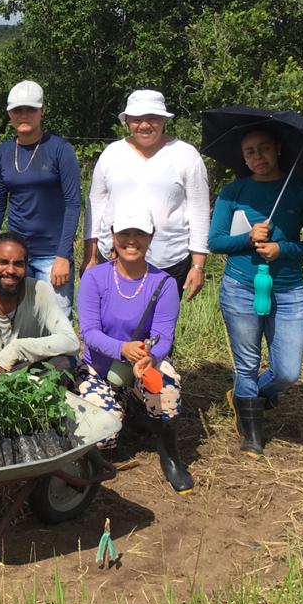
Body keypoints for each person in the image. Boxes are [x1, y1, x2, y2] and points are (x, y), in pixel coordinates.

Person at [209, 127, 303, 457]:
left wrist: (282, 248)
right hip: (240, 287)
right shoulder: (233, 192)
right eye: (249, 152)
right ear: (243, 158)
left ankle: (246, 397)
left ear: (277, 149)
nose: (257, 157)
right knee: (246, 363)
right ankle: (252, 435)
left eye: (263, 149)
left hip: (288, 292)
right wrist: (247, 239)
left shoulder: (302, 192)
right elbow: (215, 241)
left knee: (287, 371)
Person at [77, 205, 193, 494]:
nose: (132, 240)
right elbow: (89, 332)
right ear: (113, 235)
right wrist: (122, 349)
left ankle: (170, 456)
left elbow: (163, 337)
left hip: (142, 364)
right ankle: (123, 408)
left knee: (167, 386)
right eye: (124, 233)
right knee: (103, 437)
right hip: (100, 368)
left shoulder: (164, 283)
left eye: (139, 234)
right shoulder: (94, 277)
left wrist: (149, 356)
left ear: (151, 237)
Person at [83, 89, 209, 301]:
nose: (144, 125)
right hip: (113, 258)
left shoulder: (186, 155)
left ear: (163, 120)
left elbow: (199, 211)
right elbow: (95, 205)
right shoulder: (112, 154)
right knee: (112, 317)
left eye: (152, 118)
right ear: (127, 121)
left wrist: (198, 265)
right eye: (137, 119)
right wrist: (90, 256)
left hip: (168, 261)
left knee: (159, 320)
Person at [0, 81, 81, 317]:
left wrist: (63, 256)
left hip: (52, 253)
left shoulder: (60, 149)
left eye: (30, 109)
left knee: (56, 321)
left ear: (42, 111)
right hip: (15, 256)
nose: (24, 115)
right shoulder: (4, 152)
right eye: (18, 110)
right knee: (15, 318)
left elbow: (73, 203)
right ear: (10, 114)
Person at [0, 232, 78, 374]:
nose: (10, 270)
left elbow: (71, 341)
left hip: (29, 369)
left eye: (18, 264)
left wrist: (18, 348)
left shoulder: (40, 292)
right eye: (3, 262)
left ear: (26, 266)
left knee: (63, 363)